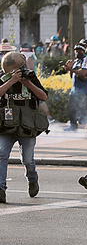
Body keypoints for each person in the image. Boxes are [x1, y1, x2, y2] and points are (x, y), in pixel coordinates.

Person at [0, 53, 48, 203]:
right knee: (1, 154)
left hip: (27, 125)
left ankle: (32, 179)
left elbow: (43, 96)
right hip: (6, 126)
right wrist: (12, 80)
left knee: (28, 159)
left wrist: (28, 84)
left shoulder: (30, 77)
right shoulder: (3, 77)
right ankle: (1, 189)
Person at [64, 43, 87, 131]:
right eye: (75, 51)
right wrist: (69, 67)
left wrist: (71, 69)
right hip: (75, 89)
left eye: (79, 51)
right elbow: (72, 76)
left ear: (83, 51)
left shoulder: (86, 60)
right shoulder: (75, 61)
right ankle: (73, 126)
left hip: (85, 89)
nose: (77, 53)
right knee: (71, 108)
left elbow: (84, 73)